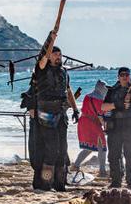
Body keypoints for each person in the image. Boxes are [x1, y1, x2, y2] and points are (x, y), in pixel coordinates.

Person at [32, 45, 80, 191]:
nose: (58, 56)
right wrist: (52, 37)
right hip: (46, 113)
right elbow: (42, 60)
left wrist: (76, 109)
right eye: (55, 54)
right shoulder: (42, 70)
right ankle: (46, 183)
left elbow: (68, 90)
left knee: (62, 149)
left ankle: (60, 184)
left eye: (60, 54)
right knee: (51, 149)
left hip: (61, 112)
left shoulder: (64, 71)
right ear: (50, 55)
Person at [103, 66, 131, 190]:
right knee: (113, 156)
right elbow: (103, 107)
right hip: (115, 127)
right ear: (118, 77)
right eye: (122, 75)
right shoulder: (112, 90)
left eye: (127, 75)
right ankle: (116, 181)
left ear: (130, 76)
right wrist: (116, 104)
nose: (124, 77)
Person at [72, 80, 109, 179]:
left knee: (90, 146)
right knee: (102, 146)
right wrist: (106, 128)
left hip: (83, 122)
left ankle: (76, 165)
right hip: (92, 124)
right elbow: (101, 116)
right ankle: (102, 170)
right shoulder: (100, 100)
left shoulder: (87, 96)